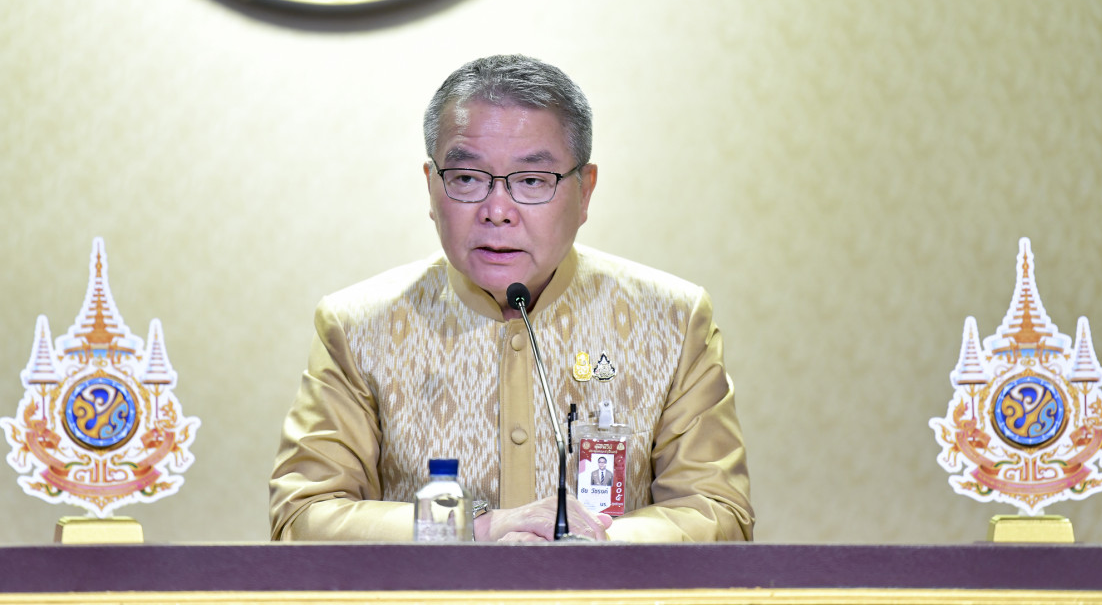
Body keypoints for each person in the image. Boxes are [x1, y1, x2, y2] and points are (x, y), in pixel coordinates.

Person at [269, 55, 754, 543]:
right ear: (432, 187)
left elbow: (721, 514)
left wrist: (594, 542)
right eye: (467, 178)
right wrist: (473, 529)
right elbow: (302, 518)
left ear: (584, 192)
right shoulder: (357, 326)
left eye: (532, 181)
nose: (497, 211)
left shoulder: (671, 320)